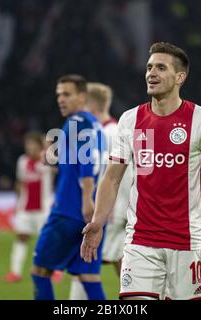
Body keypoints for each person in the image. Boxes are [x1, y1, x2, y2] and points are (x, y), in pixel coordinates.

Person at [81, 42, 201, 300]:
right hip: (140, 241)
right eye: (149, 67)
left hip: (188, 243)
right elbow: (112, 178)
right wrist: (98, 221)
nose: (151, 73)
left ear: (180, 77)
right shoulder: (130, 120)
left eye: (161, 68)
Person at [31, 74, 107, 300]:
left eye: (67, 94)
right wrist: (54, 162)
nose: (61, 99)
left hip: (68, 211)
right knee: (88, 277)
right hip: (91, 215)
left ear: (82, 96)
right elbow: (81, 163)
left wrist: (86, 198)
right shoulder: (95, 124)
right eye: (58, 95)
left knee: (40, 272)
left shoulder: (75, 122)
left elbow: (86, 164)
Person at [69, 82, 132, 300]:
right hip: (116, 211)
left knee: (85, 264)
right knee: (122, 267)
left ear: (89, 106)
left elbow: (108, 176)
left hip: (106, 213)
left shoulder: (103, 134)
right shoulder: (119, 131)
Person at [3, 132, 53, 283]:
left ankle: (53, 270)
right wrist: (18, 203)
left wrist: (47, 146)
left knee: (46, 241)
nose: (30, 147)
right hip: (25, 209)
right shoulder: (22, 161)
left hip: (44, 209)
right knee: (21, 238)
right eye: (27, 145)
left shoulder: (47, 161)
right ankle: (15, 272)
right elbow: (20, 182)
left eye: (33, 144)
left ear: (40, 146)